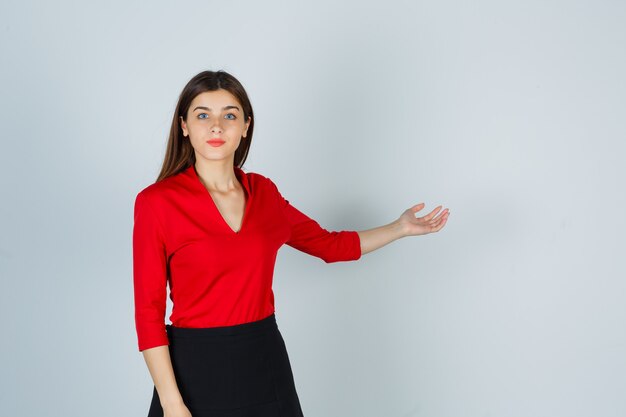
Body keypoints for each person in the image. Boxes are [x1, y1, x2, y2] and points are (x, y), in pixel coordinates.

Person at [133, 69, 450, 417]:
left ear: (246, 126)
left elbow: (330, 246)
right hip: (193, 369)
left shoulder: (264, 194)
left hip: (262, 360)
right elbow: (148, 313)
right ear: (184, 126)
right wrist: (172, 403)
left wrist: (399, 227)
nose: (216, 126)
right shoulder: (157, 203)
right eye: (203, 115)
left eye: (230, 115)